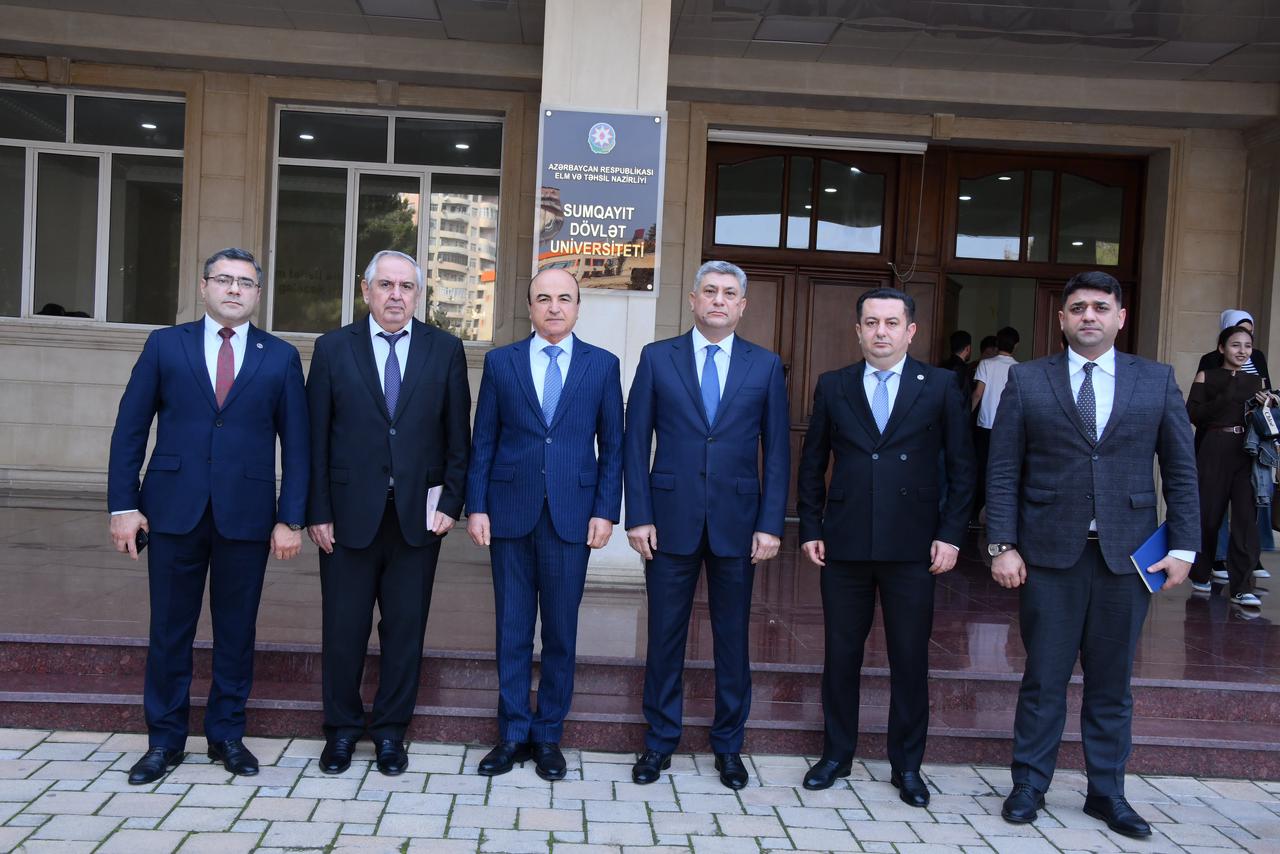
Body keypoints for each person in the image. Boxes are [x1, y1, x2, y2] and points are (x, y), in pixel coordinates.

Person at [986, 271, 1199, 839]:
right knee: (1043, 679)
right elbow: (1003, 469)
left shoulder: (1155, 380)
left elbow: (1181, 470)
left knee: (1111, 683)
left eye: (1100, 308)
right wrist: (1002, 544)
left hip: (1127, 560)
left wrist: (1183, 546)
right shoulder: (1028, 380)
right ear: (1061, 319)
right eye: (1078, 307)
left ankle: (1107, 793)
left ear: (1120, 318)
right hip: (1047, 557)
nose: (1089, 316)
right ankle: (1029, 785)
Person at [108, 248, 309, 784]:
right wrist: (124, 506)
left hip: (247, 515)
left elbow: (299, 444)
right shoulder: (164, 345)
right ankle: (164, 741)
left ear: (258, 294)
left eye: (245, 282)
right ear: (204, 287)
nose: (234, 289)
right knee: (169, 630)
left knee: (236, 631)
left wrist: (290, 518)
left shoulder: (280, 356)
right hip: (172, 511)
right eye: (224, 279)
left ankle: (226, 736)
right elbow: (130, 428)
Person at [795, 287, 975, 803]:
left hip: (914, 547)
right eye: (871, 322)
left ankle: (907, 766)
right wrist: (811, 527)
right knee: (841, 656)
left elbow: (963, 468)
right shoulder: (834, 385)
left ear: (910, 331)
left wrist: (951, 535)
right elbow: (813, 463)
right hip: (845, 543)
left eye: (891, 323)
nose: (881, 332)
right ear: (858, 330)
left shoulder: (940, 385)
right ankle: (836, 755)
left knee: (909, 660)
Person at [623, 260, 789, 790]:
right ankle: (659, 741)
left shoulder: (765, 366)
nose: (719, 300)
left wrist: (770, 524)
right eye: (710, 291)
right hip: (668, 521)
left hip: (739, 525)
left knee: (732, 639)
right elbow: (634, 442)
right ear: (693, 300)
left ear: (742, 305)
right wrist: (638, 515)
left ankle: (729, 746)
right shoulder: (657, 358)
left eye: (729, 293)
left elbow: (777, 452)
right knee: (665, 636)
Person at [306, 250, 470, 777]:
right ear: (366, 289)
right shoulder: (333, 349)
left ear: (418, 294)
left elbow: (458, 438)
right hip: (347, 517)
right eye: (386, 285)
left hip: (418, 519)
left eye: (406, 286)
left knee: (405, 630)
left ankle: (391, 732)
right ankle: (341, 730)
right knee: (344, 629)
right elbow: (314, 439)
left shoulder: (445, 349)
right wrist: (317, 510)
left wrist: (451, 504)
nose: (396, 295)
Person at [465, 268, 623, 780]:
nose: (554, 307)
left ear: (577, 306)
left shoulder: (603, 365)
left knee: (560, 631)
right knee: (511, 629)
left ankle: (549, 734)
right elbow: (484, 440)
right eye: (544, 298)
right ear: (529, 306)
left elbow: (613, 448)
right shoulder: (501, 362)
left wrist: (605, 511)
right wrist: (476, 506)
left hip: (572, 516)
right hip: (509, 513)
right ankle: (513, 732)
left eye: (564, 299)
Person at [1187, 325, 1270, 610]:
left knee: (1246, 520)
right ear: (1222, 348)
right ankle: (1200, 572)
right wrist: (1227, 392)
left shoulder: (1257, 381)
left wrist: (1268, 404)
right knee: (1209, 517)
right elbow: (1193, 414)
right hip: (1214, 447)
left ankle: (1242, 587)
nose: (1242, 351)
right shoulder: (1206, 376)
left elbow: (1266, 422)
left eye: (1247, 346)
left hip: (1247, 452)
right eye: (1236, 345)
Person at [970, 327, 1019, 518]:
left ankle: (978, 510)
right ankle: (998, 511)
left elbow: (977, 394)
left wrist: (965, 416)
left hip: (985, 424)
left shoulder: (985, 364)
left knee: (982, 467)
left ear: (997, 344)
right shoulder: (1018, 368)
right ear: (1016, 345)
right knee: (1003, 470)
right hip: (1008, 427)